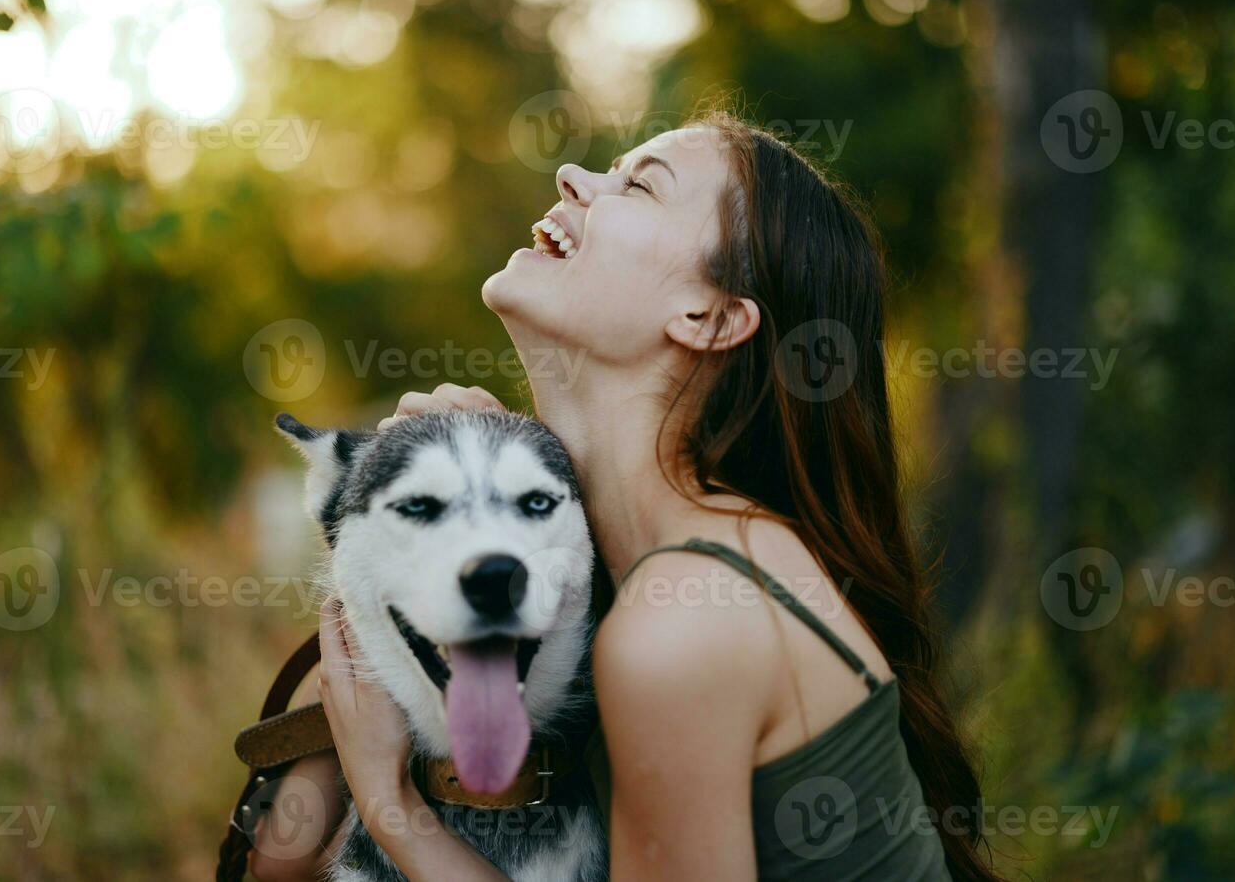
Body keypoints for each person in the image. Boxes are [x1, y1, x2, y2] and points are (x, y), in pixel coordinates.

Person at [250, 111, 998, 881]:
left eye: (638, 184)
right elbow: (282, 855)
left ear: (709, 317)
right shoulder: (635, 562)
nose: (572, 177)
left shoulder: (681, 618)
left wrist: (389, 805)